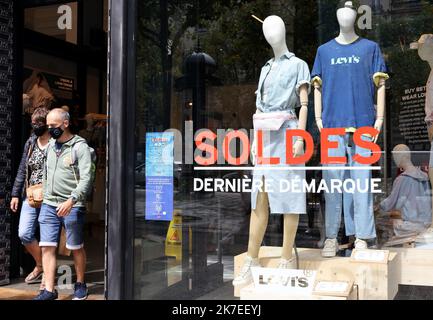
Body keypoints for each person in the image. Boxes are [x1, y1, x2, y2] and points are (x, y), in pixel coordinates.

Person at [34, 108, 93, 300]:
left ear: (65, 124)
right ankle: (49, 290)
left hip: (72, 205)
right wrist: (45, 192)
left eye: (53, 126)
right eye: (48, 126)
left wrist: (72, 199)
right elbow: (46, 171)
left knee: (75, 246)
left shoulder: (79, 146)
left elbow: (86, 178)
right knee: (47, 246)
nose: (50, 129)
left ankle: (80, 283)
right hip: (49, 204)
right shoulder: (51, 145)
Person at [10, 107, 50, 289]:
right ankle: (41, 265)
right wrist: (15, 194)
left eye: (38, 123)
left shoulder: (56, 143)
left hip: (51, 196)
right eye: (33, 123)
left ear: (47, 124)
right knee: (24, 233)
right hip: (31, 196)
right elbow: (22, 168)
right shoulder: (31, 142)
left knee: (49, 237)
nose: (35, 126)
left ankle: (47, 276)